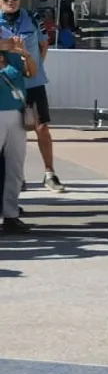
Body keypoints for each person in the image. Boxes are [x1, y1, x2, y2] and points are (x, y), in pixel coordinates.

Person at [0, 0, 65, 193]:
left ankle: (49, 173)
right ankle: (16, 177)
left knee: (41, 127)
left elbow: (43, 45)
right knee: (11, 133)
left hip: (33, 83)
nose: (11, 0)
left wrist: (33, 69)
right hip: (7, 86)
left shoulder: (32, 17)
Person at [0, 34, 36, 232]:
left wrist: (25, 54)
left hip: (16, 116)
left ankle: (11, 215)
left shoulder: (12, 55)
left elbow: (32, 72)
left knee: (15, 167)